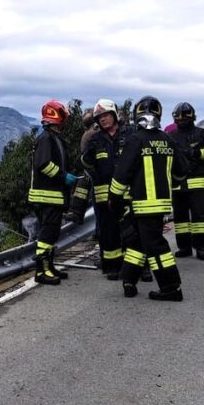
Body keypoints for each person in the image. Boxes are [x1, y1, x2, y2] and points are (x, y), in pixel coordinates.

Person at [108, 96, 189, 300]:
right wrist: (168, 183)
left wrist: (114, 198)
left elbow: (122, 173)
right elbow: (182, 171)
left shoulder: (136, 140)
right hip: (160, 203)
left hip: (141, 204)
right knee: (137, 243)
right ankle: (129, 282)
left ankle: (171, 288)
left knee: (155, 246)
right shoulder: (167, 139)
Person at [28, 99, 76, 285]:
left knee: (52, 232)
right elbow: (44, 164)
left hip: (52, 195)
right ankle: (42, 271)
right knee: (47, 234)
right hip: (47, 195)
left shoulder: (52, 137)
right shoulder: (46, 138)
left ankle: (49, 266)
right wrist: (63, 177)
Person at [81, 98, 129, 280]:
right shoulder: (95, 140)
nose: (103, 120)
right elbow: (86, 162)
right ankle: (112, 267)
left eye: (106, 115)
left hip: (126, 194)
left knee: (130, 232)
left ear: (114, 115)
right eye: (99, 117)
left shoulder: (129, 136)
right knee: (108, 233)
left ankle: (135, 267)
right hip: (104, 195)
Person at [168, 102, 204, 260]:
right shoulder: (171, 136)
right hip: (177, 184)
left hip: (196, 182)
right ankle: (184, 247)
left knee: (200, 217)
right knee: (180, 218)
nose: (181, 120)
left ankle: (201, 248)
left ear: (192, 117)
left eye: (184, 117)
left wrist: (195, 153)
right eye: (178, 118)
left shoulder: (201, 134)